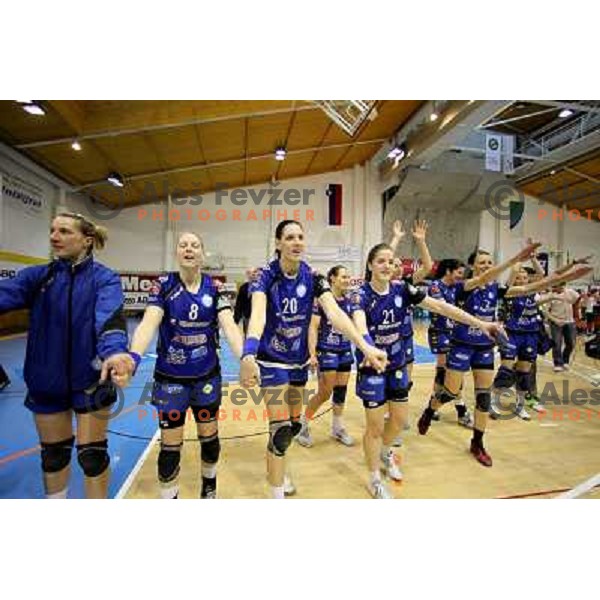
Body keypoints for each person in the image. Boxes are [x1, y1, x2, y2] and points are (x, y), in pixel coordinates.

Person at [239, 220, 387, 499]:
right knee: (281, 430)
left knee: (294, 425)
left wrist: (365, 347)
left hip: (298, 362)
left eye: (300, 237)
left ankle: (280, 468)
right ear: (278, 243)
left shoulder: (314, 276)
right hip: (271, 360)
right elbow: (257, 313)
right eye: (290, 237)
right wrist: (249, 352)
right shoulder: (265, 276)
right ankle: (276, 492)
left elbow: (336, 314)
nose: (297, 242)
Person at [350, 243, 504, 498]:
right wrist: (368, 347)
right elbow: (359, 322)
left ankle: (386, 454)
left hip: (397, 364)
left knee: (398, 421)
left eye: (391, 261)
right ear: (370, 265)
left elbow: (442, 307)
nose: (387, 265)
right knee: (375, 426)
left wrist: (481, 324)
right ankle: (374, 478)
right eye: (381, 261)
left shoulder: (403, 289)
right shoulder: (361, 294)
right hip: (372, 366)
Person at [0, 212, 132, 499]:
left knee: (92, 457)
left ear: (86, 240)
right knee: (53, 456)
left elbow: (109, 319)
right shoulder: (38, 276)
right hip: (46, 380)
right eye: (52, 230)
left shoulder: (104, 279)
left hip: (91, 379)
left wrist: (115, 352)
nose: (54, 237)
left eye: (63, 231)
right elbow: (4, 293)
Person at [129, 231, 243, 499]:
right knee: (170, 449)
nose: (189, 249)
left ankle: (209, 488)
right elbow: (148, 322)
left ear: (203, 253)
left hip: (206, 378)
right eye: (183, 245)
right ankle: (171, 498)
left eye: (194, 245)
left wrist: (246, 357)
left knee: (210, 440)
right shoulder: (164, 284)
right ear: (177, 253)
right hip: (171, 381)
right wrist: (134, 356)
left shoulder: (214, 288)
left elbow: (229, 327)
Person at [417, 242, 542, 467]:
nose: (486, 266)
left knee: (483, 396)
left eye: (489, 262)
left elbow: (525, 289)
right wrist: (514, 260)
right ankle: (430, 409)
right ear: (473, 267)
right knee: (449, 392)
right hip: (460, 345)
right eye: (482, 263)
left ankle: (478, 442)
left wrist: (565, 276)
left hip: (484, 347)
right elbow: (484, 279)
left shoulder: (496, 288)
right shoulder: (465, 286)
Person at [491, 263, 591, 421]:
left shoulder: (533, 294)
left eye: (524, 278)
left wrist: (567, 271)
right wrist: (517, 262)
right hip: (512, 335)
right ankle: (494, 402)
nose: (522, 280)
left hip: (530, 335)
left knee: (524, 373)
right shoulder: (509, 293)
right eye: (519, 277)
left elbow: (545, 277)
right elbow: (515, 279)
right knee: (506, 370)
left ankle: (520, 406)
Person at [296, 265, 355, 448]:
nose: (347, 280)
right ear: (332, 279)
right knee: (324, 392)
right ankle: (302, 425)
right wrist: (312, 354)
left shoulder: (350, 301)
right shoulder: (321, 301)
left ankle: (337, 428)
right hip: (326, 350)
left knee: (340, 392)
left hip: (345, 350)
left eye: (348, 277)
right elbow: (313, 327)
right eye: (344, 277)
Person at [426, 259, 472, 427]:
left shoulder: (455, 288)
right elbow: (444, 308)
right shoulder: (435, 287)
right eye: (458, 273)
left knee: (453, 372)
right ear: (448, 271)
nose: (461, 276)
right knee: (445, 371)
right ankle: (460, 409)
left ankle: (433, 404)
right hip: (440, 332)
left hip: (454, 333)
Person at [539, 283, 579, 372]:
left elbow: (576, 298)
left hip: (569, 321)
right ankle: (558, 363)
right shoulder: (550, 296)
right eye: (557, 286)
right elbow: (545, 311)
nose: (560, 288)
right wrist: (555, 320)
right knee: (557, 343)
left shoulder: (569, 292)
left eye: (562, 285)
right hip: (556, 322)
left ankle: (565, 361)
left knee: (571, 343)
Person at [233, 269, 253, 336]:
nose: (252, 275)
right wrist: (236, 319)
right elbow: (239, 304)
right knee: (248, 334)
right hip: (247, 316)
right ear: (247, 275)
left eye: (253, 274)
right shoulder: (243, 288)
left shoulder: (262, 287)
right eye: (249, 273)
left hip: (260, 316)